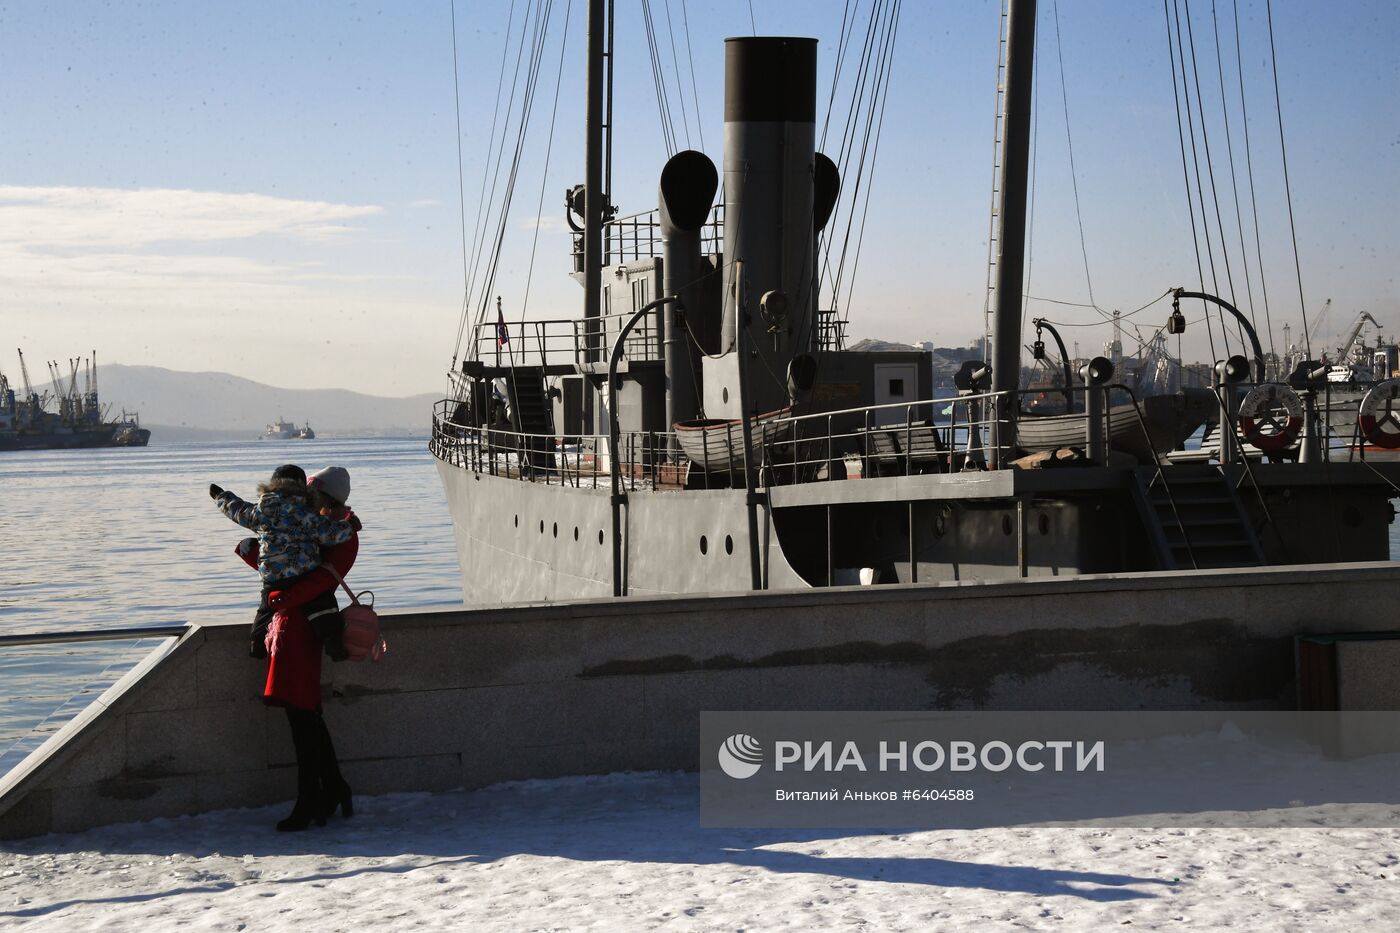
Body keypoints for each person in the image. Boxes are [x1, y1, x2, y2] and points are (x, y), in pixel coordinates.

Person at [212, 464, 359, 832]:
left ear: (328, 499)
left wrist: (279, 596)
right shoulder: (314, 521)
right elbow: (291, 561)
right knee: (307, 717)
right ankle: (334, 789)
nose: (311, 502)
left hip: (298, 628)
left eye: (316, 496)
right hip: (291, 625)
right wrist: (255, 555)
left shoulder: (337, 532)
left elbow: (319, 580)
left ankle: (309, 802)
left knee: (302, 717)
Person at [210, 464, 357, 660]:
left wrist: (221, 496)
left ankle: (256, 644)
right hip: (303, 571)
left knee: (265, 610)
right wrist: (349, 527)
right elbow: (328, 533)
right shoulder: (307, 513)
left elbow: (237, 509)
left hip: (273, 576)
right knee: (323, 606)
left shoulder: (262, 510)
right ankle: (334, 645)